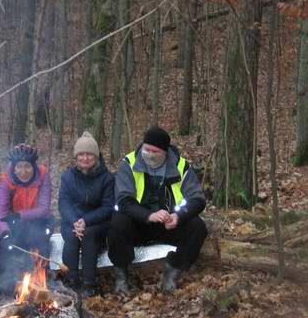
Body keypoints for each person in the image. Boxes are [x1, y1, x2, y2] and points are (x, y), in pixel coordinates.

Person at [108, 126, 207, 294]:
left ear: (165, 152)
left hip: (168, 224)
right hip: (138, 223)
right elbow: (124, 200)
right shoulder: (129, 163)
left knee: (198, 227)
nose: (150, 154)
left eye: (155, 151)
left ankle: (173, 270)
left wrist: (179, 215)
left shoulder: (181, 166)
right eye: (147, 149)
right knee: (118, 221)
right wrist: (148, 215)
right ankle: (122, 274)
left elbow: (197, 199)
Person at [57, 131, 114, 297]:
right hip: (72, 221)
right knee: (72, 236)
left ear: (96, 156)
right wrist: (75, 221)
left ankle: (89, 283)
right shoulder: (68, 177)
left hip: (98, 221)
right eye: (81, 154)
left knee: (88, 234)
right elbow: (64, 203)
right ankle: (71, 281)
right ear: (76, 157)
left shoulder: (107, 178)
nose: (85, 158)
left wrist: (86, 220)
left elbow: (108, 206)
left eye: (89, 154)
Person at [0, 143, 54, 295]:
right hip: (14, 224)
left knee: (41, 240)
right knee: (2, 240)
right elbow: (0, 213)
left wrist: (20, 215)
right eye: (19, 167)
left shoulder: (43, 175)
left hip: (37, 220)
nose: (23, 171)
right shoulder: (6, 180)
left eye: (27, 166)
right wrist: (5, 233)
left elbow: (44, 208)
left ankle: (43, 279)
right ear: (13, 167)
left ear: (33, 166)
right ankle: (7, 281)